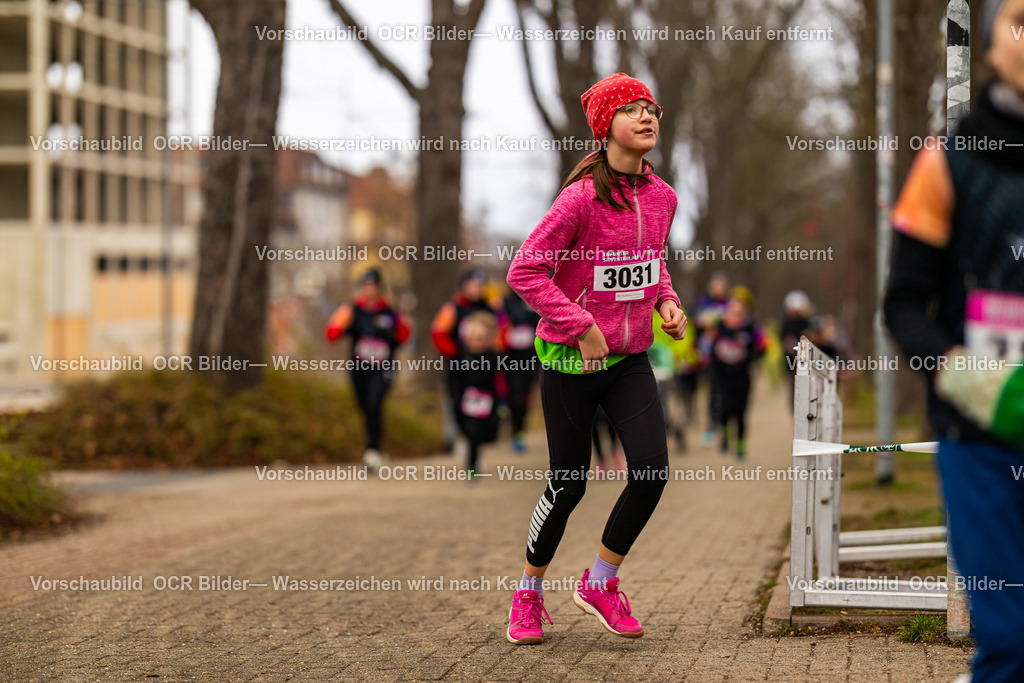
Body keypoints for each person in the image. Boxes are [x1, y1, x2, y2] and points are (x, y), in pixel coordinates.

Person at [504, 73, 687, 644]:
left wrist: (666, 301)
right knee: (568, 484)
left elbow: (652, 260)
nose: (646, 116)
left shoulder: (663, 197)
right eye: (631, 109)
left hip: (629, 359)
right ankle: (528, 594)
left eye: (651, 107)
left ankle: (600, 582)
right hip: (570, 362)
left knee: (652, 473)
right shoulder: (580, 199)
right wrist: (579, 325)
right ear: (606, 126)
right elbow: (524, 271)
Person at [883, 2, 1024, 679]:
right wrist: (973, 380)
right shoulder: (948, 161)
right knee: (1011, 638)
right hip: (980, 438)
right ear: (991, 48)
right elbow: (903, 305)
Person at [325, 268, 410, 471]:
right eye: (366, 286)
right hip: (359, 367)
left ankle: (373, 449)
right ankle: (374, 445)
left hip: (383, 368)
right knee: (364, 406)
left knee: (374, 403)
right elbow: (331, 333)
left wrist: (398, 324)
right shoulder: (353, 309)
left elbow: (405, 336)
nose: (370, 290)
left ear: (380, 288)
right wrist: (343, 318)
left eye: (373, 286)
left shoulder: (390, 311)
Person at [431, 268, 498, 453]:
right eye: (473, 285)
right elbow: (437, 333)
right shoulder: (453, 308)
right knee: (456, 402)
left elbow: (502, 333)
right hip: (459, 366)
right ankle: (462, 436)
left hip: (486, 366)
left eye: (480, 285)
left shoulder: (491, 308)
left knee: (485, 406)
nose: (476, 289)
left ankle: (479, 440)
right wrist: (456, 353)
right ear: (464, 286)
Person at [704, 286, 766, 460]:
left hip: (742, 375)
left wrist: (751, 358)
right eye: (735, 302)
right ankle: (724, 438)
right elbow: (708, 344)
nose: (737, 306)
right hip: (722, 374)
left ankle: (740, 445)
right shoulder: (719, 324)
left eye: (742, 303)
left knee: (740, 411)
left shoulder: (751, 327)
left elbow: (762, 346)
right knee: (725, 408)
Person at [449, 311, 501, 482]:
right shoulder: (460, 357)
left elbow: (501, 382)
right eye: (474, 338)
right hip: (464, 401)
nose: (477, 342)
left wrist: (502, 402)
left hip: (487, 402)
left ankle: (473, 461)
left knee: (482, 434)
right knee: (470, 432)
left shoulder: (495, 358)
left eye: (481, 338)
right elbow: (453, 380)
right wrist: (456, 400)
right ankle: (471, 464)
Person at [501, 286, 541, 453]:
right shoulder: (504, 303)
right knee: (512, 397)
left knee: (523, 398)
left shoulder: (536, 299)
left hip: (532, 358)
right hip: (508, 359)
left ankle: (518, 431)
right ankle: (509, 423)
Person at [694, 272, 731, 444]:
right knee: (713, 391)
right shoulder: (703, 303)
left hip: (726, 355)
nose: (718, 289)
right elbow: (698, 323)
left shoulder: (729, 304)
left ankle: (725, 425)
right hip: (708, 355)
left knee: (725, 391)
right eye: (715, 285)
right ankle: (712, 425)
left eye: (721, 286)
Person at [780, 290, 813, 410]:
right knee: (794, 390)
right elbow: (784, 345)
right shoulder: (786, 324)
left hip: (807, 362)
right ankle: (795, 412)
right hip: (791, 362)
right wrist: (790, 368)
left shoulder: (807, 323)